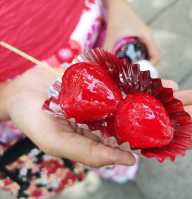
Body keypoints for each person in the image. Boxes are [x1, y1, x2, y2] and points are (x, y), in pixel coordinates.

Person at [0, 0, 161, 198]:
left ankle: (117, 160)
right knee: (79, 138)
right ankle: (110, 163)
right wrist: (10, 97)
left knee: (113, 128)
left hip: (89, 25)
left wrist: (119, 8)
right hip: (17, 94)